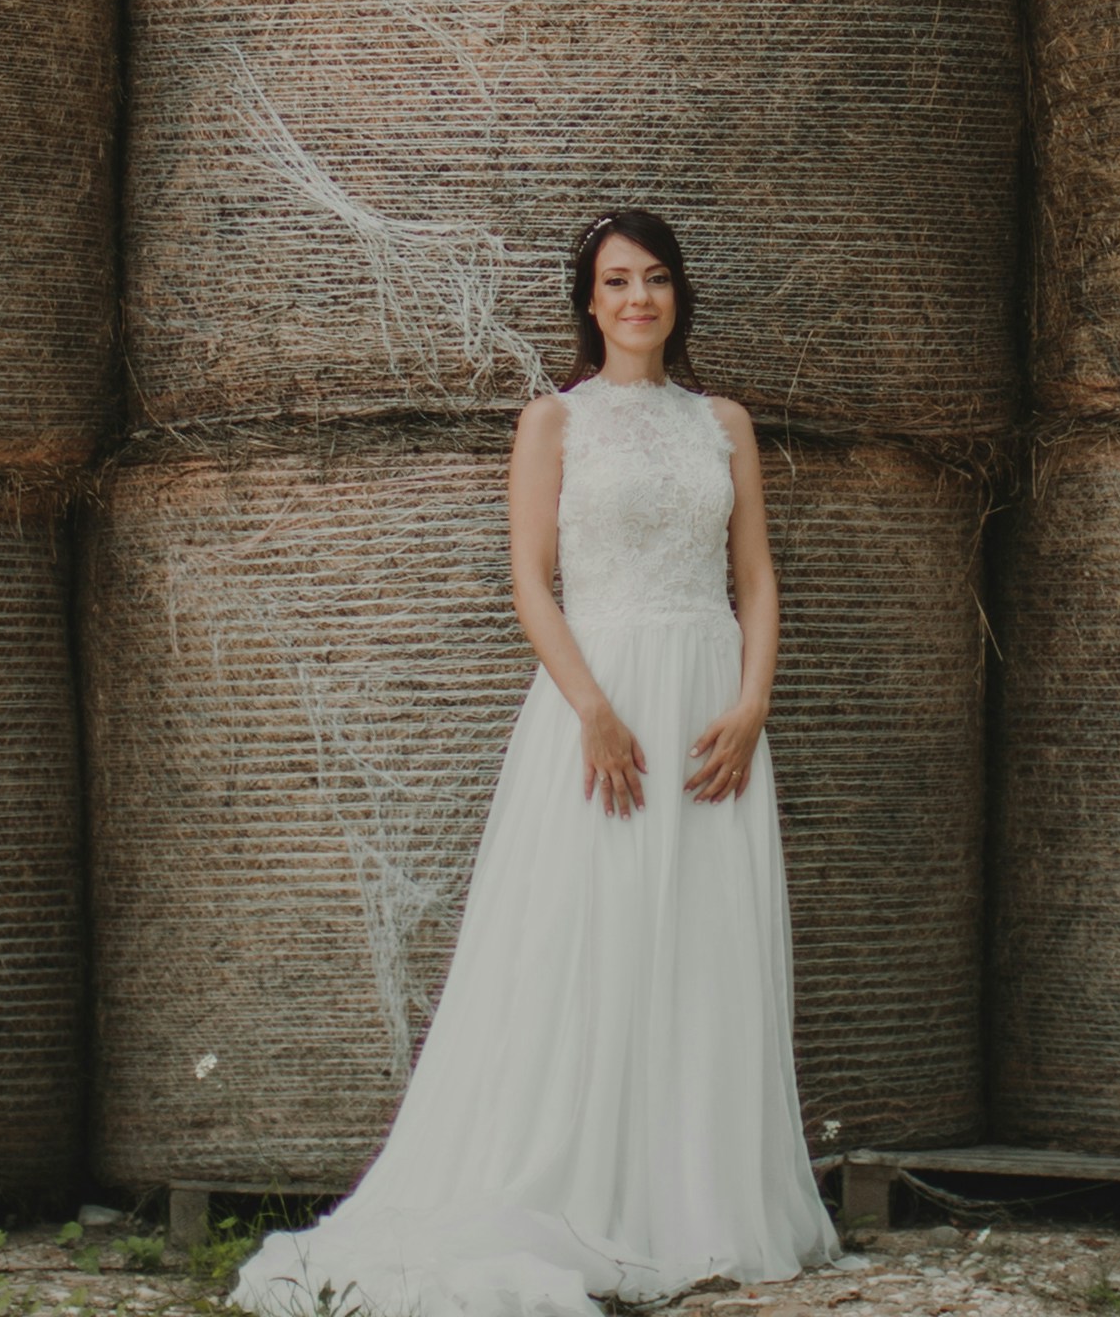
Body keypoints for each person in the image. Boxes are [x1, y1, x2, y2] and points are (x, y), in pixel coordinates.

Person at [231, 209, 842, 1317]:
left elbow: (754, 574)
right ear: (589, 302)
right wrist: (591, 709)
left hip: (709, 704)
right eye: (617, 281)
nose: (638, 298)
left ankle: (696, 1204)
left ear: (678, 295)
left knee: (702, 944)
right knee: (589, 935)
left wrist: (752, 703)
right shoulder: (555, 421)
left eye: (655, 279)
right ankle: (579, 1186)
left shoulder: (723, 423)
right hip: (599, 700)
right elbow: (530, 580)